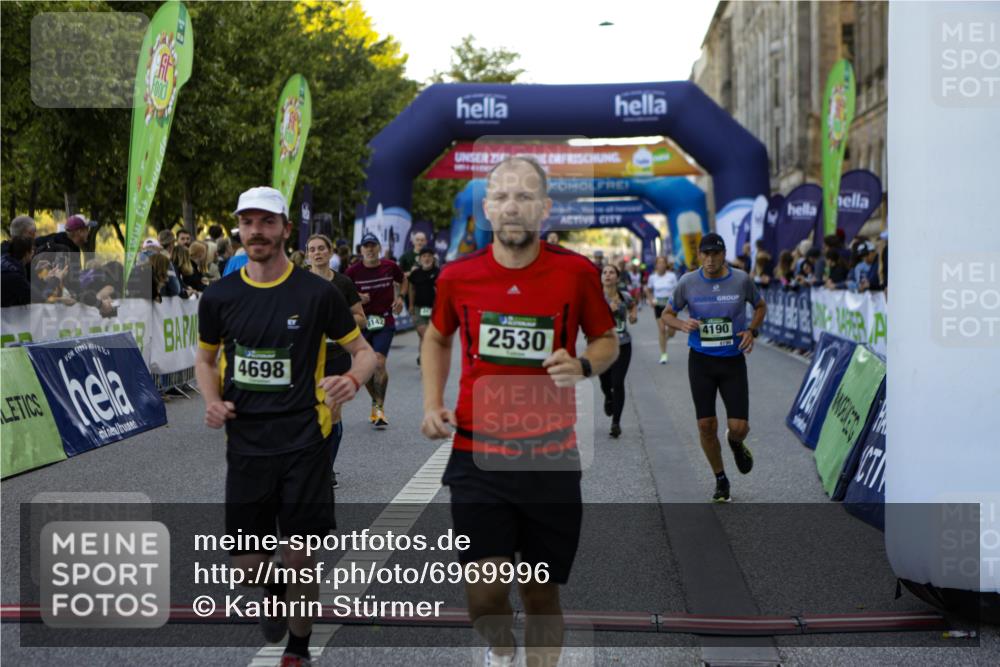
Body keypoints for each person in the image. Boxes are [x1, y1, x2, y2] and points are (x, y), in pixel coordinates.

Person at [420, 156, 618, 667]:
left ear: (545, 208)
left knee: (540, 596)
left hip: (550, 459)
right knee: (485, 597)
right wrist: (431, 402)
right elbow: (438, 337)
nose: (513, 206)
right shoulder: (457, 277)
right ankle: (501, 650)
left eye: (525, 196)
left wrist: (581, 364)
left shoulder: (576, 272)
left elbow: (606, 340)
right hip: (477, 456)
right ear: (487, 208)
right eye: (503, 196)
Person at [196, 186, 376, 667]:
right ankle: (276, 591)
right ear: (239, 227)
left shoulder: (317, 293)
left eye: (267, 222)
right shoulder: (219, 295)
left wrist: (352, 380)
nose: (257, 231)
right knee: (246, 569)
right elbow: (204, 357)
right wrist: (212, 401)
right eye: (248, 222)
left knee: (300, 557)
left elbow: (365, 353)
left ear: (284, 229)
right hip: (248, 445)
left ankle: (298, 648)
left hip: (305, 440)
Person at [659, 232, 767, 503]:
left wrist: (751, 331)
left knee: (739, 426)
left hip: (732, 361)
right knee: (706, 425)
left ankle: (736, 443)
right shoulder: (688, 282)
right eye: (705, 254)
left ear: (723, 254)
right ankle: (720, 479)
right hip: (701, 361)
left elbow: (760, 306)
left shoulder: (741, 279)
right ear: (699, 256)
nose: (710, 259)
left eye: (715, 254)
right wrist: (682, 325)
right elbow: (667, 314)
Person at [306, 233, 367, 490]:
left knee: (331, 412)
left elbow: (360, 317)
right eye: (312, 249)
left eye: (322, 248)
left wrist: (337, 322)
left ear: (330, 252)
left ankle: (326, 468)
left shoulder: (343, 283)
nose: (317, 253)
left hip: (335, 357)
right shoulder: (299, 281)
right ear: (307, 254)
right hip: (306, 359)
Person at [344, 232, 405, 429]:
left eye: (373, 245)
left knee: (378, 362)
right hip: (362, 323)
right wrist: (356, 298)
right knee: (367, 368)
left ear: (379, 248)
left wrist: (400, 298)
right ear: (361, 250)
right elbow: (342, 294)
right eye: (366, 246)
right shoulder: (352, 272)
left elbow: (403, 279)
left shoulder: (389, 266)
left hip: (384, 320)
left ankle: (379, 407)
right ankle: (375, 401)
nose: (369, 249)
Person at [599, 264, 636, 438]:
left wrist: (633, 315)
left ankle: (616, 423)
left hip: (623, 345)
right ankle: (607, 396)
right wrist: (607, 310)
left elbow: (632, 305)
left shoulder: (625, 296)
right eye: (605, 272)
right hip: (602, 346)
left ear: (617, 277)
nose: (607, 275)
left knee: (618, 382)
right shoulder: (595, 298)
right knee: (605, 382)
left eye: (611, 272)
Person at [407, 246, 439, 366]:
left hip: (434, 309)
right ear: (420, 259)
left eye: (429, 256)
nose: (426, 259)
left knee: (426, 336)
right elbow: (411, 289)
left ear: (433, 258)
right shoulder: (415, 273)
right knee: (425, 334)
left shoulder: (438, 272)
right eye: (424, 256)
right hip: (418, 308)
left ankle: (423, 355)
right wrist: (410, 305)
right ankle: (427, 359)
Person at [645, 255, 678, 364]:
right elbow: (648, 290)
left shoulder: (672, 276)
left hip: (670, 306)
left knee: (672, 332)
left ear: (666, 264)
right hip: (658, 305)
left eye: (663, 263)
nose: (661, 265)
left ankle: (664, 339)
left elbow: (677, 290)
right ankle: (664, 354)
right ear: (656, 265)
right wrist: (650, 300)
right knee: (662, 330)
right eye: (659, 263)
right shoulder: (652, 277)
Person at [1, 237, 34, 307]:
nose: (34, 252)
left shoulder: (4, 261)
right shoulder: (14, 276)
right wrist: (53, 279)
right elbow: (34, 297)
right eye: (32, 250)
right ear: (26, 253)